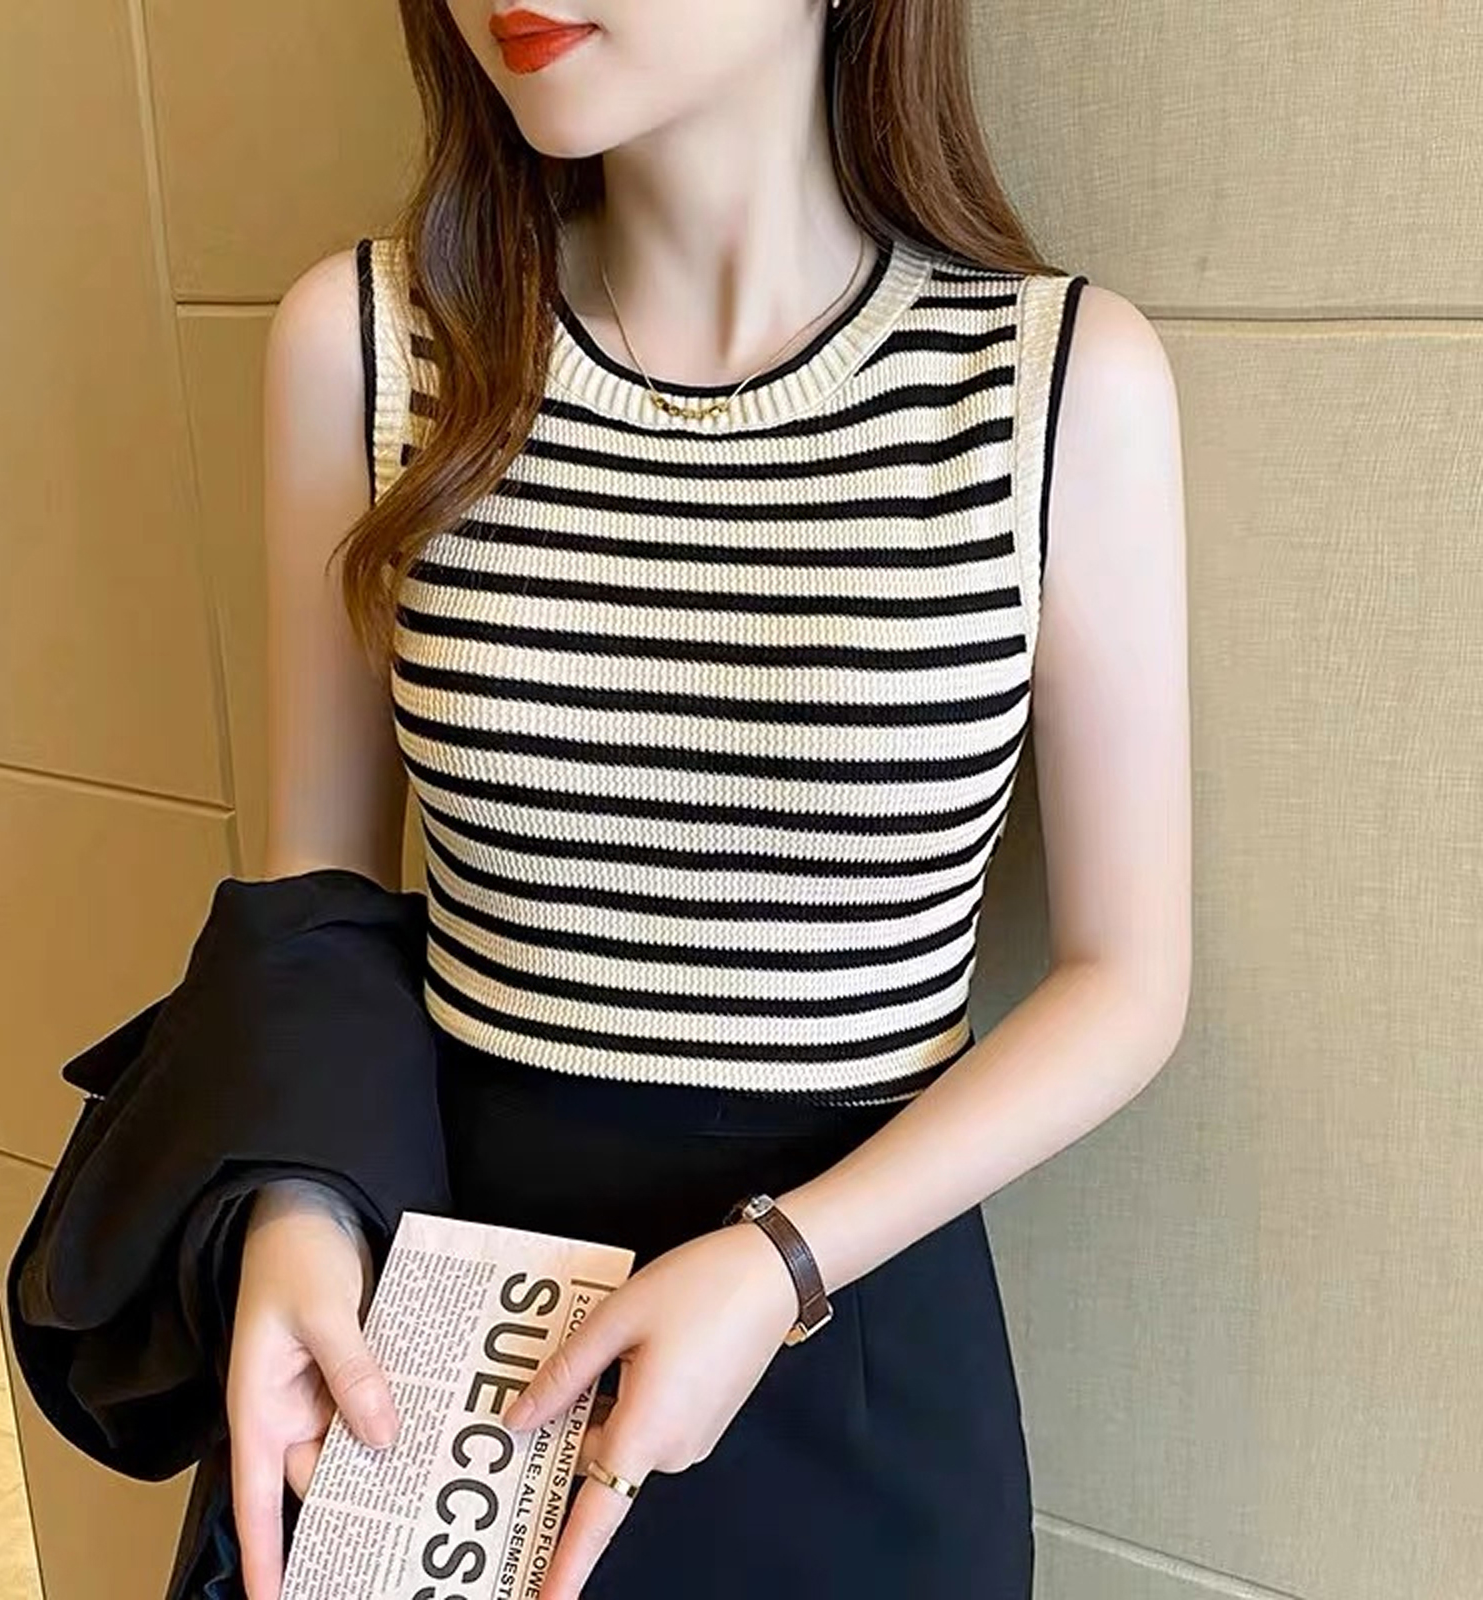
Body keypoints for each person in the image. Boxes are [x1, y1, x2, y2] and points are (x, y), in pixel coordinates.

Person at [239, 2, 1191, 1597]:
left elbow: (1129, 981)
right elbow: (315, 897)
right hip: (458, 1356)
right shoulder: (372, 345)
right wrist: (298, 1206)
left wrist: (781, 1265)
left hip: (854, 1332)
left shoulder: (1054, 384)